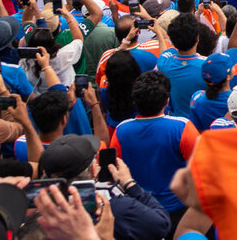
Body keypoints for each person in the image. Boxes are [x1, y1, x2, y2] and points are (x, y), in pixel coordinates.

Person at [39, 135, 170, 240]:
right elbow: (162, 224)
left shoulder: (40, 214)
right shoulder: (118, 208)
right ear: (93, 171)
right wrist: (130, 184)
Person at [109, 72, 198, 222]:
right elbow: (199, 168)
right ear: (167, 101)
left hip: (138, 208)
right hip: (175, 208)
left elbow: (114, 169)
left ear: (135, 102)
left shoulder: (121, 130)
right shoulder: (182, 127)